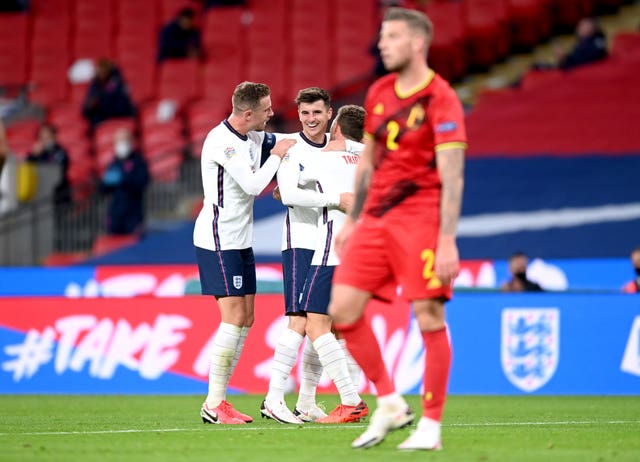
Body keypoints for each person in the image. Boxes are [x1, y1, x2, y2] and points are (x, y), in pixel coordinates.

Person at [328, 7, 467, 451]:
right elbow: (367, 163)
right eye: (381, 37)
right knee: (343, 310)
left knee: (429, 315)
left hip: (421, 217)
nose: (382, 44)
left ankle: (431, 426)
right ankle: (388, 401)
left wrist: (446, 238)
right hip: (377, 219)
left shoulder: (441, 98)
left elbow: (453, 174)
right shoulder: (379, 91)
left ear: (417, 42)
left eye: (391, 37)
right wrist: (352, 220)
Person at [193, 81, 295, 425]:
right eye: (267, 109)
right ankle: (214, 402)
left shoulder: (252, 136)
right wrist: (278, 158)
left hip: (239, 240)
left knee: (246, 318)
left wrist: (329, 138)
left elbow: (285, 140)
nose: (272, 113)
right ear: (248, 113)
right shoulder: (223, 142)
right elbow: (253, 185)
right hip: (218, 239)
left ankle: (220, 399)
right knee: (234, 318)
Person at [261, 100, 367, 425]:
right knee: (325, 325)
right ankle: (307, 402)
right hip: (357, 249)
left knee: (310, 322)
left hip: (328, 246)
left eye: (318, 113)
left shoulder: (321, 157)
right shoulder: (368, 157)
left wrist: (285, 182)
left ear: (332, 122)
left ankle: (281, 399)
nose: (312, 119)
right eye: (305, 112)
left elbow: (287, 192)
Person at [99, 128, 150, 235]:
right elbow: (103, 189)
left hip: (133, 213)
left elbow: (142, 182)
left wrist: (125, 178)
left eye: (124, 140)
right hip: (116, 213)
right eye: (119, 141)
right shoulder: (113, 164)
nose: (122, 144)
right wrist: (105, 183)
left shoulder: (138, 162)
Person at [82, 58, 136, 128]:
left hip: (120, 115)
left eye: (103, 70)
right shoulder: (95, 84)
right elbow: (85, 109)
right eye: (99, 70)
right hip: (101, 119)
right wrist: (90, 106)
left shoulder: (117, 83)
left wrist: (101, 102)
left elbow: (123, 106)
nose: (100, 73)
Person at [26, 124, 71, 206]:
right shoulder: (37, 154)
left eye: (47, 138)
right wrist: (33, 155)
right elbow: (27, 168)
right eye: (42, 138)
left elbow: (61, 169)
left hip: (59, 195)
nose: (45, 141)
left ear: (54, 136)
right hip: (41, 195)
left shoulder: (60, 152)